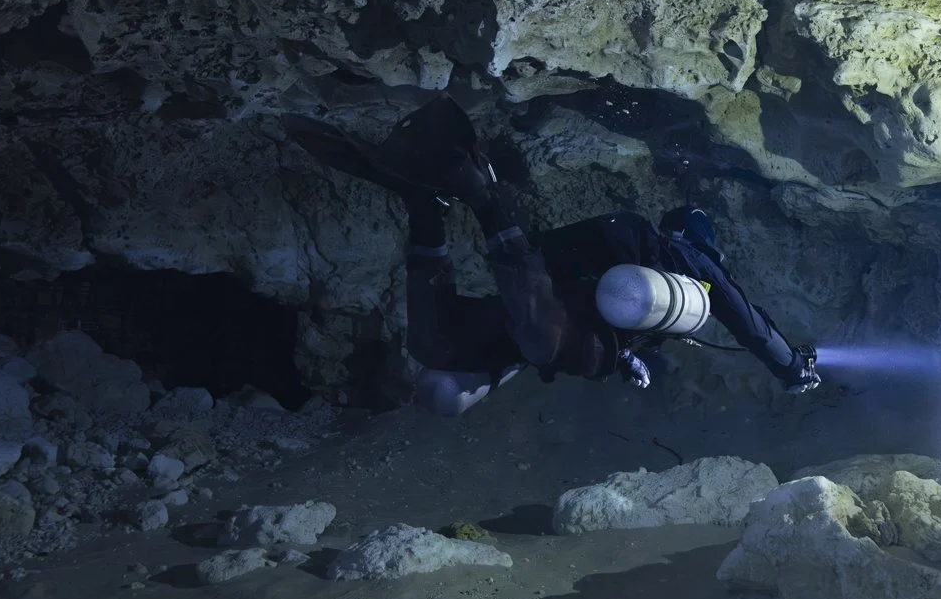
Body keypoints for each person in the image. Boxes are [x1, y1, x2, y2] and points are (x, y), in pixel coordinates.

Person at [281, 96, 820, 416]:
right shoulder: (696, 264)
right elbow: (752, 326)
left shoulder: (646, 244)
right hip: (561, 301)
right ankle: (482, 192)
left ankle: (425, 209)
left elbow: (563, 272)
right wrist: (793, 368)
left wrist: (625, 355)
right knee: (543, 341)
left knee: (432, 344)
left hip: (554, 280)